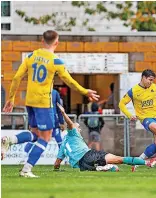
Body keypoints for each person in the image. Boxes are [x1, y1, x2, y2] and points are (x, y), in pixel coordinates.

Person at [2, 30, 99, 178]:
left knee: (35, 134)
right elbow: (69, 81)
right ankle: (26, 170)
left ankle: (10, 140)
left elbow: (16, 78)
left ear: (42, 40)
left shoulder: (31, 56)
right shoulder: (56, 61)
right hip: (43, 103)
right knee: (45, 138)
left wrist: (11, 98)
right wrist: (85, 91)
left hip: (30, 102)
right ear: (57, 42)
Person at [54, 103, 156, 172]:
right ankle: (147, 162)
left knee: (115, 168)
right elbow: (70, 124)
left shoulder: (63, 144)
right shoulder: (73, 133)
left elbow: (57, 163)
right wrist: (63, 113)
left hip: (83, 167)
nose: (80, 129)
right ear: (73, 129)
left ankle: (101, 167)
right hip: (88, 155)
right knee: (119, 159)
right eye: (78, 127)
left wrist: (57, 170)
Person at [24, 89, 65, 153]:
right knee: (58, 138)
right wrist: (61, 122)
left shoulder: (53, 92)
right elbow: (59, 109)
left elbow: (59, 108)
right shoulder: (54, 92)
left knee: (38, 137)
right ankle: (65, 158)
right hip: (49, 119)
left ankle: (25, 155)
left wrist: (31, 123)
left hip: (44, 119)